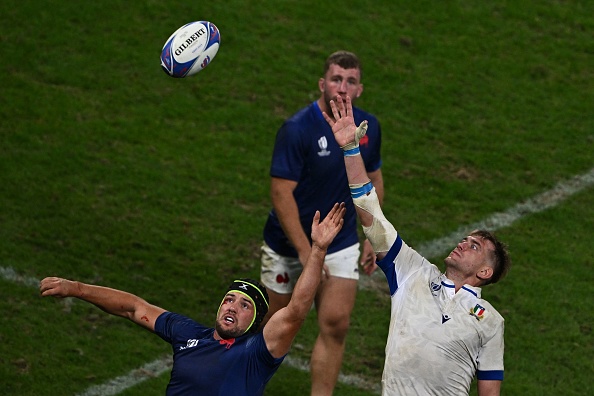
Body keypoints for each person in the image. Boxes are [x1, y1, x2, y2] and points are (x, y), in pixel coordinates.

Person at [40, 203, 346, 396]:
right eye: (230, 299)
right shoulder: (188, 334)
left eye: (244, 306)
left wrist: (317, 250)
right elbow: (135, 307)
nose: (232, 307)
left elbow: (294, 312)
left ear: (254, 321)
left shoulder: (256, 354)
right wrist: (76, 288)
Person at [323, 95, 511, 396]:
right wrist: (350, 149)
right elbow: (372, 215)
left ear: (486, 272)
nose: (463, 243)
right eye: (465, 239)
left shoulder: (489, 321)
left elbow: (490, 393)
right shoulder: (413, 272)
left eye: (474, 246)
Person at [260, 50, 384, 394]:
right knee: (274, 328)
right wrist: (305, 250)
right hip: (290, 245)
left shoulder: (367, 127)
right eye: (335, 79)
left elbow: (372, 179)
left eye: (350, 81)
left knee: (335, 323)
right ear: (322, 84)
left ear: (360, 89)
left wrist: (373, 235)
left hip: (339, 240)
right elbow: (281, 194)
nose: (342, 88)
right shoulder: (297, 129)